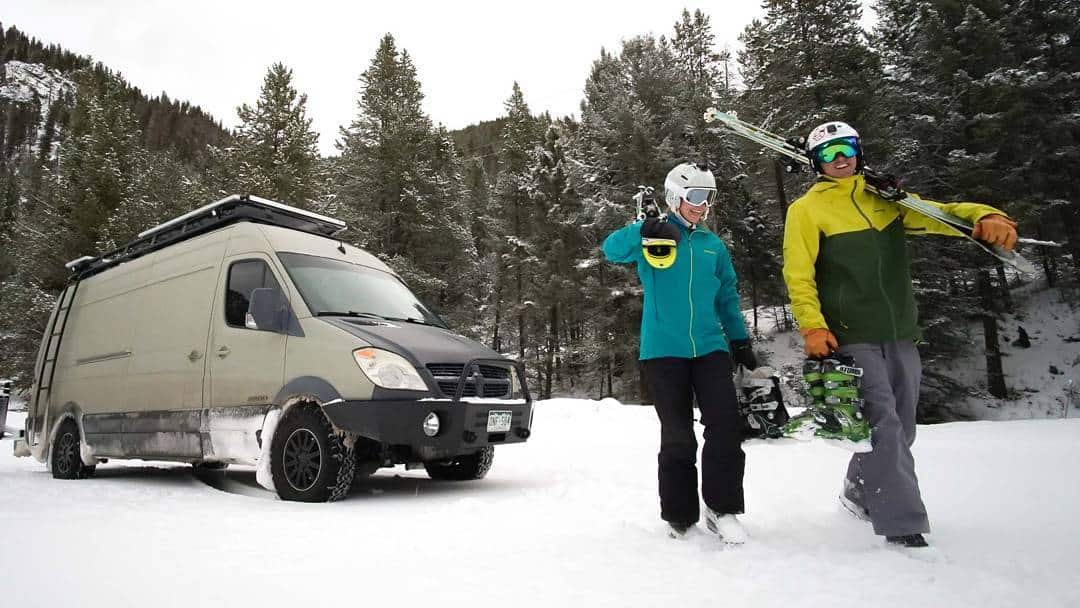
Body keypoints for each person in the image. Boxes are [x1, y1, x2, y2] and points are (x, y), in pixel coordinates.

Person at [782, 121, 1018, 548]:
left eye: (847, 149)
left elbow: (939, 214)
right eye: (829, 153)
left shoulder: (884, 200)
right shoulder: (807, 209)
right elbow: (798, 274)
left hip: (900, 331)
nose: (840, 159)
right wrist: (812, 325)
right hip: (849, 333)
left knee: (902, 428)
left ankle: (858, 490)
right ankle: (901, 523)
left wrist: (981, 214)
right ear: (815, 161)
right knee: (884, 427)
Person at [602, 162, 758, 543]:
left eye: (708, 198)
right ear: (675, 197)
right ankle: (679, 515)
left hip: (709, 348)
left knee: (724, 427)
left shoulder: (712, 246)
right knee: (677, 435)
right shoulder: (655, 238)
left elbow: (727, 297)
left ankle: (722, 510)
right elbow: (610, 250)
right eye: (695, 197)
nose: (702, 206)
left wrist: (739, 341)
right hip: (663, 351)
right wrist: (642, 229)